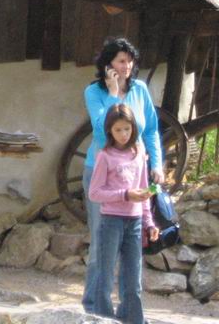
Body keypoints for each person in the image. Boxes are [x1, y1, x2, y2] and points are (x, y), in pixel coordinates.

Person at [81, 37, 162, 313]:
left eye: (129, 60)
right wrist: (114, 94)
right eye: (120, 61)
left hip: (135, 171)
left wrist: (156, 164)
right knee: (101, 244)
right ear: (108, 64)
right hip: (102, 172)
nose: (126, 66)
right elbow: (101, 130)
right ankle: (94, 308)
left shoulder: (140, 89)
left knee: (132, 246)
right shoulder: (94, 92)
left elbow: (150, 130)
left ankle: (128, 310)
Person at [89, 104, 159, 324]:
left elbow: (145, 191)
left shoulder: (138, 154)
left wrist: (149, 222)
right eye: (118, 130)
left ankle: (133, 319)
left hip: (135, 221)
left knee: (133, 278)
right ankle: (102, 319)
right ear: (110, 131)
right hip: (111, 221)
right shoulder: (105, 156)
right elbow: (94, 193)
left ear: (133, 128)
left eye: (127, 129)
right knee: (106, 275)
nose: (123, 134)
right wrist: (125, 195)